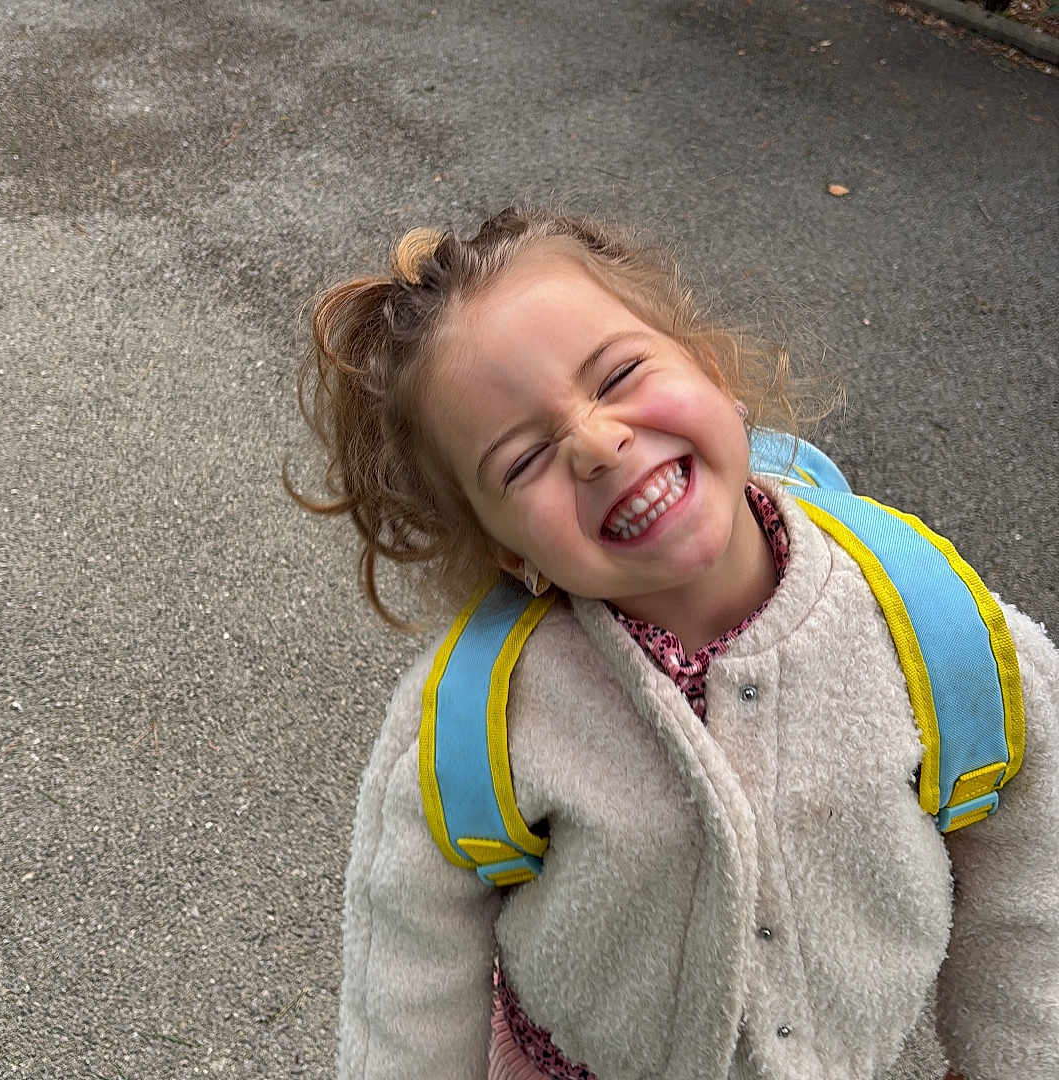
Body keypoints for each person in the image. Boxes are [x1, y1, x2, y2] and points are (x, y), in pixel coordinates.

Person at [289, 206, 1059, 1080]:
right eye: (520, 461)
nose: (595, 442)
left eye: (617, 373)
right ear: (511, 551)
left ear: (712, 370)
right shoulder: (481, 720)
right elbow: (407, 984)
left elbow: (1032, 887)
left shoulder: (936, 629)